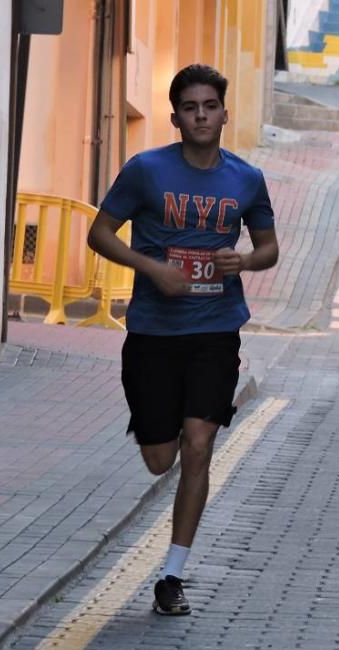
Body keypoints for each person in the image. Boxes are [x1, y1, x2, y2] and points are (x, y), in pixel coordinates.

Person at [87, 64, 278, 614]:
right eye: (190, 108)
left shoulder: (246, 178)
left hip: (216, 331)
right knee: (159, 457)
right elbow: (100, 233)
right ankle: (156, 431)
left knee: (199, 446)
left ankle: (172, 574)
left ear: (223, 112)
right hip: (152, 332)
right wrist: (152, 269)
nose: (200, 115)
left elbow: (268, 248)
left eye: (210, 106)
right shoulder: (145, 170)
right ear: (175, 117)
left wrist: (242, 259)